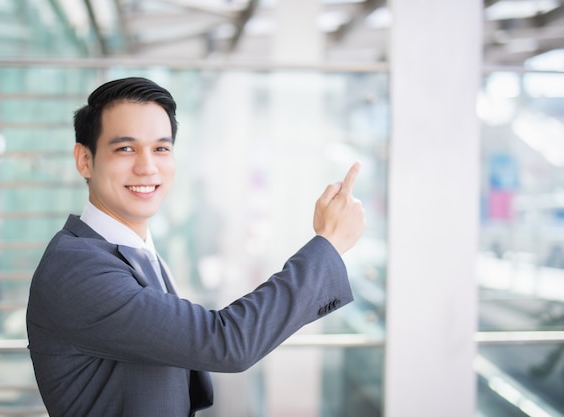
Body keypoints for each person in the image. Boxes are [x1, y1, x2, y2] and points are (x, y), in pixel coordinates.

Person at [26, 77, 366, 417]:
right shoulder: (76, 269)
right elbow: (225, 342)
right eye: (125, 148)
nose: (147, 167)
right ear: (84, 160)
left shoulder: (134, 250)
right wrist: (329, 244)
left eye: (161, 148)